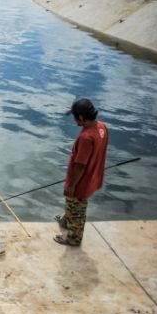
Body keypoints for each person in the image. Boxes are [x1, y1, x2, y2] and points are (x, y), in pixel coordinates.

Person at [54, 99, 109, 247]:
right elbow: (97, 152)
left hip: (82, 182)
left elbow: (81, 165)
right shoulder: (102, 127)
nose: (75, 120)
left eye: (75, 117)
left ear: (81, 118)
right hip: (93, 177)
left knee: (78, 209)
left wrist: (72, 184)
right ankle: (66, 221)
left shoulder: (86, 137)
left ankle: (74, 238)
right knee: (71, 201)